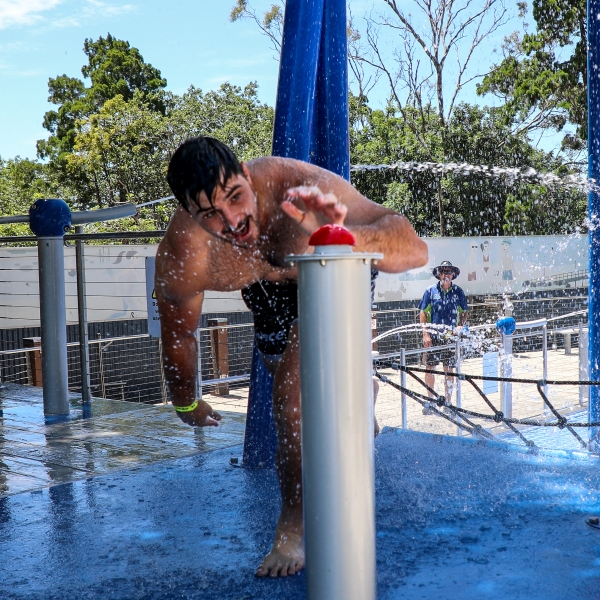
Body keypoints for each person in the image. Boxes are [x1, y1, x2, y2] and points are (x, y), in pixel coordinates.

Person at [154, 136, 428, 578]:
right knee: (285, 383)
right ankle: (363, 385)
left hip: (334, 268)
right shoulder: (185, 254)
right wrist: (186, 401)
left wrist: (340, 237)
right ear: (190, 214)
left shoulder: (295, 187)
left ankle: (292, 527)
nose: (233, 220)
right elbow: (179, 335)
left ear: (246, 174)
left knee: (290, 399)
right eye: (211, 215)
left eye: (236, 197)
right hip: (267, 296)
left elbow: (414, 248)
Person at [419, 260, 469, 398]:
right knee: (430, 369)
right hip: (433, 337)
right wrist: (425, 334)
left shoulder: (458, 292)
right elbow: (422, 313)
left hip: (450, 337)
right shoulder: (430, 291)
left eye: (448, 271)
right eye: (442, 272)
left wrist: (461, 325)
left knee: (449, 370)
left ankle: (448, 402)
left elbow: (464, 311)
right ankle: (430, 400)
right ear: (438, 274)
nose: (445, 274)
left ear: (453, 274)